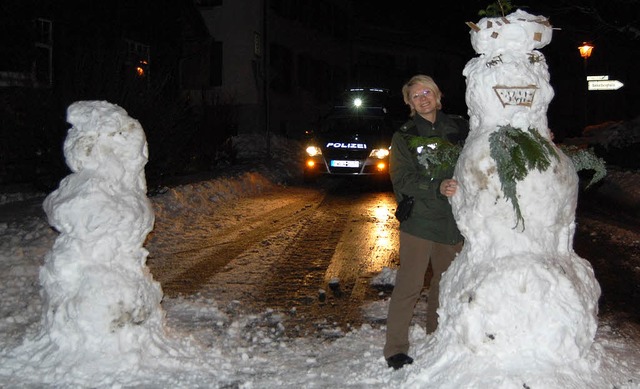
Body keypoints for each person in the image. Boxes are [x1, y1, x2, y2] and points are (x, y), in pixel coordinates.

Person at [384, 74, 464, 370]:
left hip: (451, 222)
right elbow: (401, 179)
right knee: (410, 285)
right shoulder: (404, 136)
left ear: (438, 94)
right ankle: (395, 348)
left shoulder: (459, 128)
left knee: (445, 285)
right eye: (416, 96)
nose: (423, 98)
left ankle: (436, 335)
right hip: (418, 221)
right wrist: (436, 186)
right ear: (409, 103)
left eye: (427, 92)